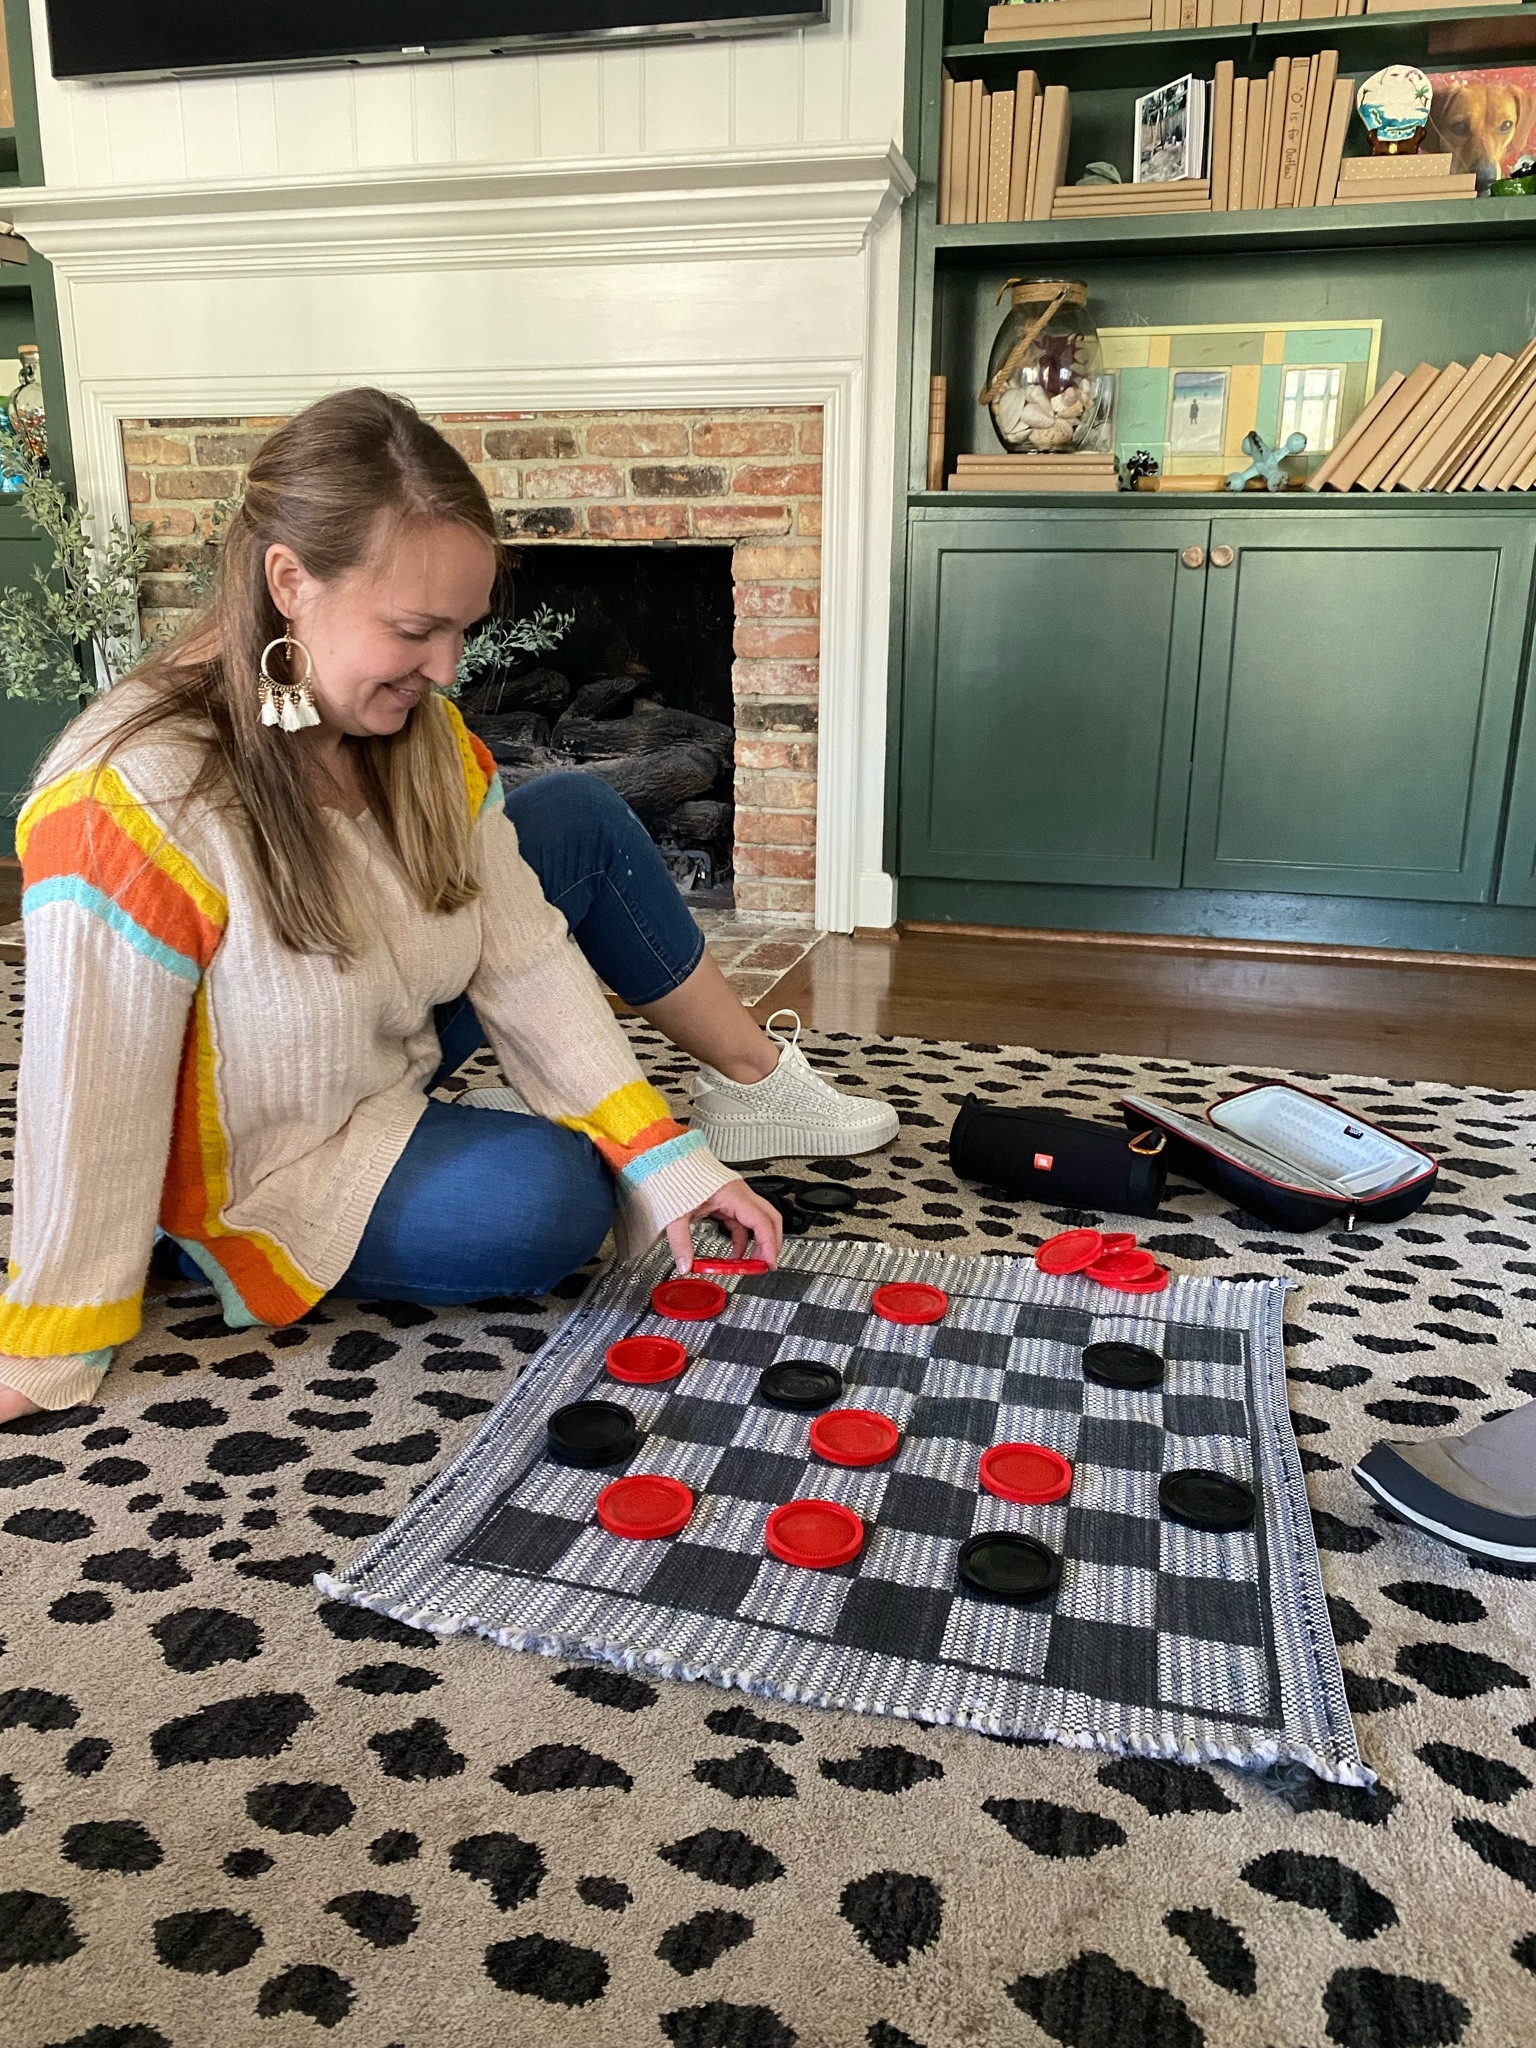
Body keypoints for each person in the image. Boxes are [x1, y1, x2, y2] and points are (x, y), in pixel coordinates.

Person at [0, 389, 896, 1422]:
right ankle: (468, 1139)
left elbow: (522, 956)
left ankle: (747, 1083)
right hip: (258, 1154)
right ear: (290, 580)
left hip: (371, 1035)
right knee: (551, 1200)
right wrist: (51, 1335)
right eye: (417, 630)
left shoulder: (422, 740)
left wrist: (664, 1154)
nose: (447, 670)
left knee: (576, 815)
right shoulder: (131, 797)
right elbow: (90, 1088)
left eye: (463, 631)